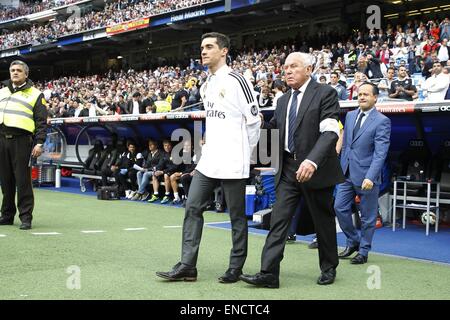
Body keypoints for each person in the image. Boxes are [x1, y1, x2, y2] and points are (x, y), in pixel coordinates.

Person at [156, 32, 261, 283]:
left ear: (223, 51)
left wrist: (244, 153)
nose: (203, 51)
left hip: (234, 161)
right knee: (192, 207)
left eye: (209, 47)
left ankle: (235, 267)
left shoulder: (238, 80)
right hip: (209, 160)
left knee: (236, 216)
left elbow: (255, 120)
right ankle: (187, 265)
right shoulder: (205, 85)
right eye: (202, 47)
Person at [240, 52, 345, 288]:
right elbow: (276, 130)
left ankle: (329, 267)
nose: (287, 71)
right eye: (285, 67)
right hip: (288, 169)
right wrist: (257, 124)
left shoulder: (325, 93)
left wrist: (312, 161)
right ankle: (268, 273)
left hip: (315, 169)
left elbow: (330, 131)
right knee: (278, 219)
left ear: (309, 69)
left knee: (323, 221)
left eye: (294, 66)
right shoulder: (283, 101)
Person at [334, 82, 391, 264]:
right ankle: (353, 241)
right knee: (339, 208)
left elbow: (380, 153)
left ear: (375, 97)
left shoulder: (382, 121)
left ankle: (364, 251)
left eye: (366, 94)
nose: (362, 97)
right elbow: (346, 145)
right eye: (359, 94)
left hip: (367, 177)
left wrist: (370, 176)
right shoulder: (350, 116)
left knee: (368, 217)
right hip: (346, 173)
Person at [0, 60, 48, 230]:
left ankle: (26, 217)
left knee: (22, 181)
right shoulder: (2, 91)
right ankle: (6, 215)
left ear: (26, 74)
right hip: (2, 140)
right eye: (12, 70)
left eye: (19, 70)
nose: (15, 72)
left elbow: (42, 121)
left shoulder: (36, 94)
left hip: (22, 141)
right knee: (5, 181)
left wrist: (40, 142)